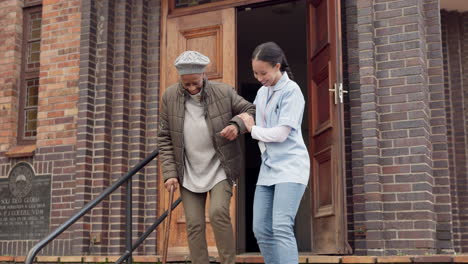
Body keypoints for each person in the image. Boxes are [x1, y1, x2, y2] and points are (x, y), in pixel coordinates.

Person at [158, 50, 255, 264]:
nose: (192, 88)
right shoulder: (169, 96)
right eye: (186, 84)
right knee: (193, 223)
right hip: (188, 169)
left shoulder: (223, 92)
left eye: (195, 83)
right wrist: (169, 174)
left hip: (220, 166)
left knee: (219, 212)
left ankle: (228, 261)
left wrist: (236, 125)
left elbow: (250, 109)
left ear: (203, 75)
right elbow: (164, 137)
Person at [238, 42, 310, 264]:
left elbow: (281, 134)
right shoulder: (261, 92)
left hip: (291, 167)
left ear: (277, 66)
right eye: (255, 73)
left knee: (280, 226)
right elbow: (252, 117)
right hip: (268, 168)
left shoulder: (292, 91)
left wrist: (252, 130)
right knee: (261, 229)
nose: (259, 77)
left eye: (263, 72)